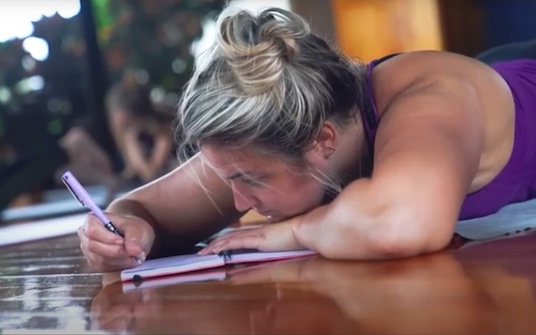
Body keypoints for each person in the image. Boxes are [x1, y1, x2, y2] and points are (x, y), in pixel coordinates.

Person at [78, 7, 536, 271]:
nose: (239, 203)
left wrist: (291, 231)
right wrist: (125, 235)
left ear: (323, 140)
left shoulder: (434, 98)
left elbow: (401, 227)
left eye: (250, 180)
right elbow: (140, 210)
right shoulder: (268, 134)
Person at [105, 72, 177, 186]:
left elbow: (150, 174)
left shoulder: (162, 130)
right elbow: (131, 170)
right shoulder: (127, 133)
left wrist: (131, 142)